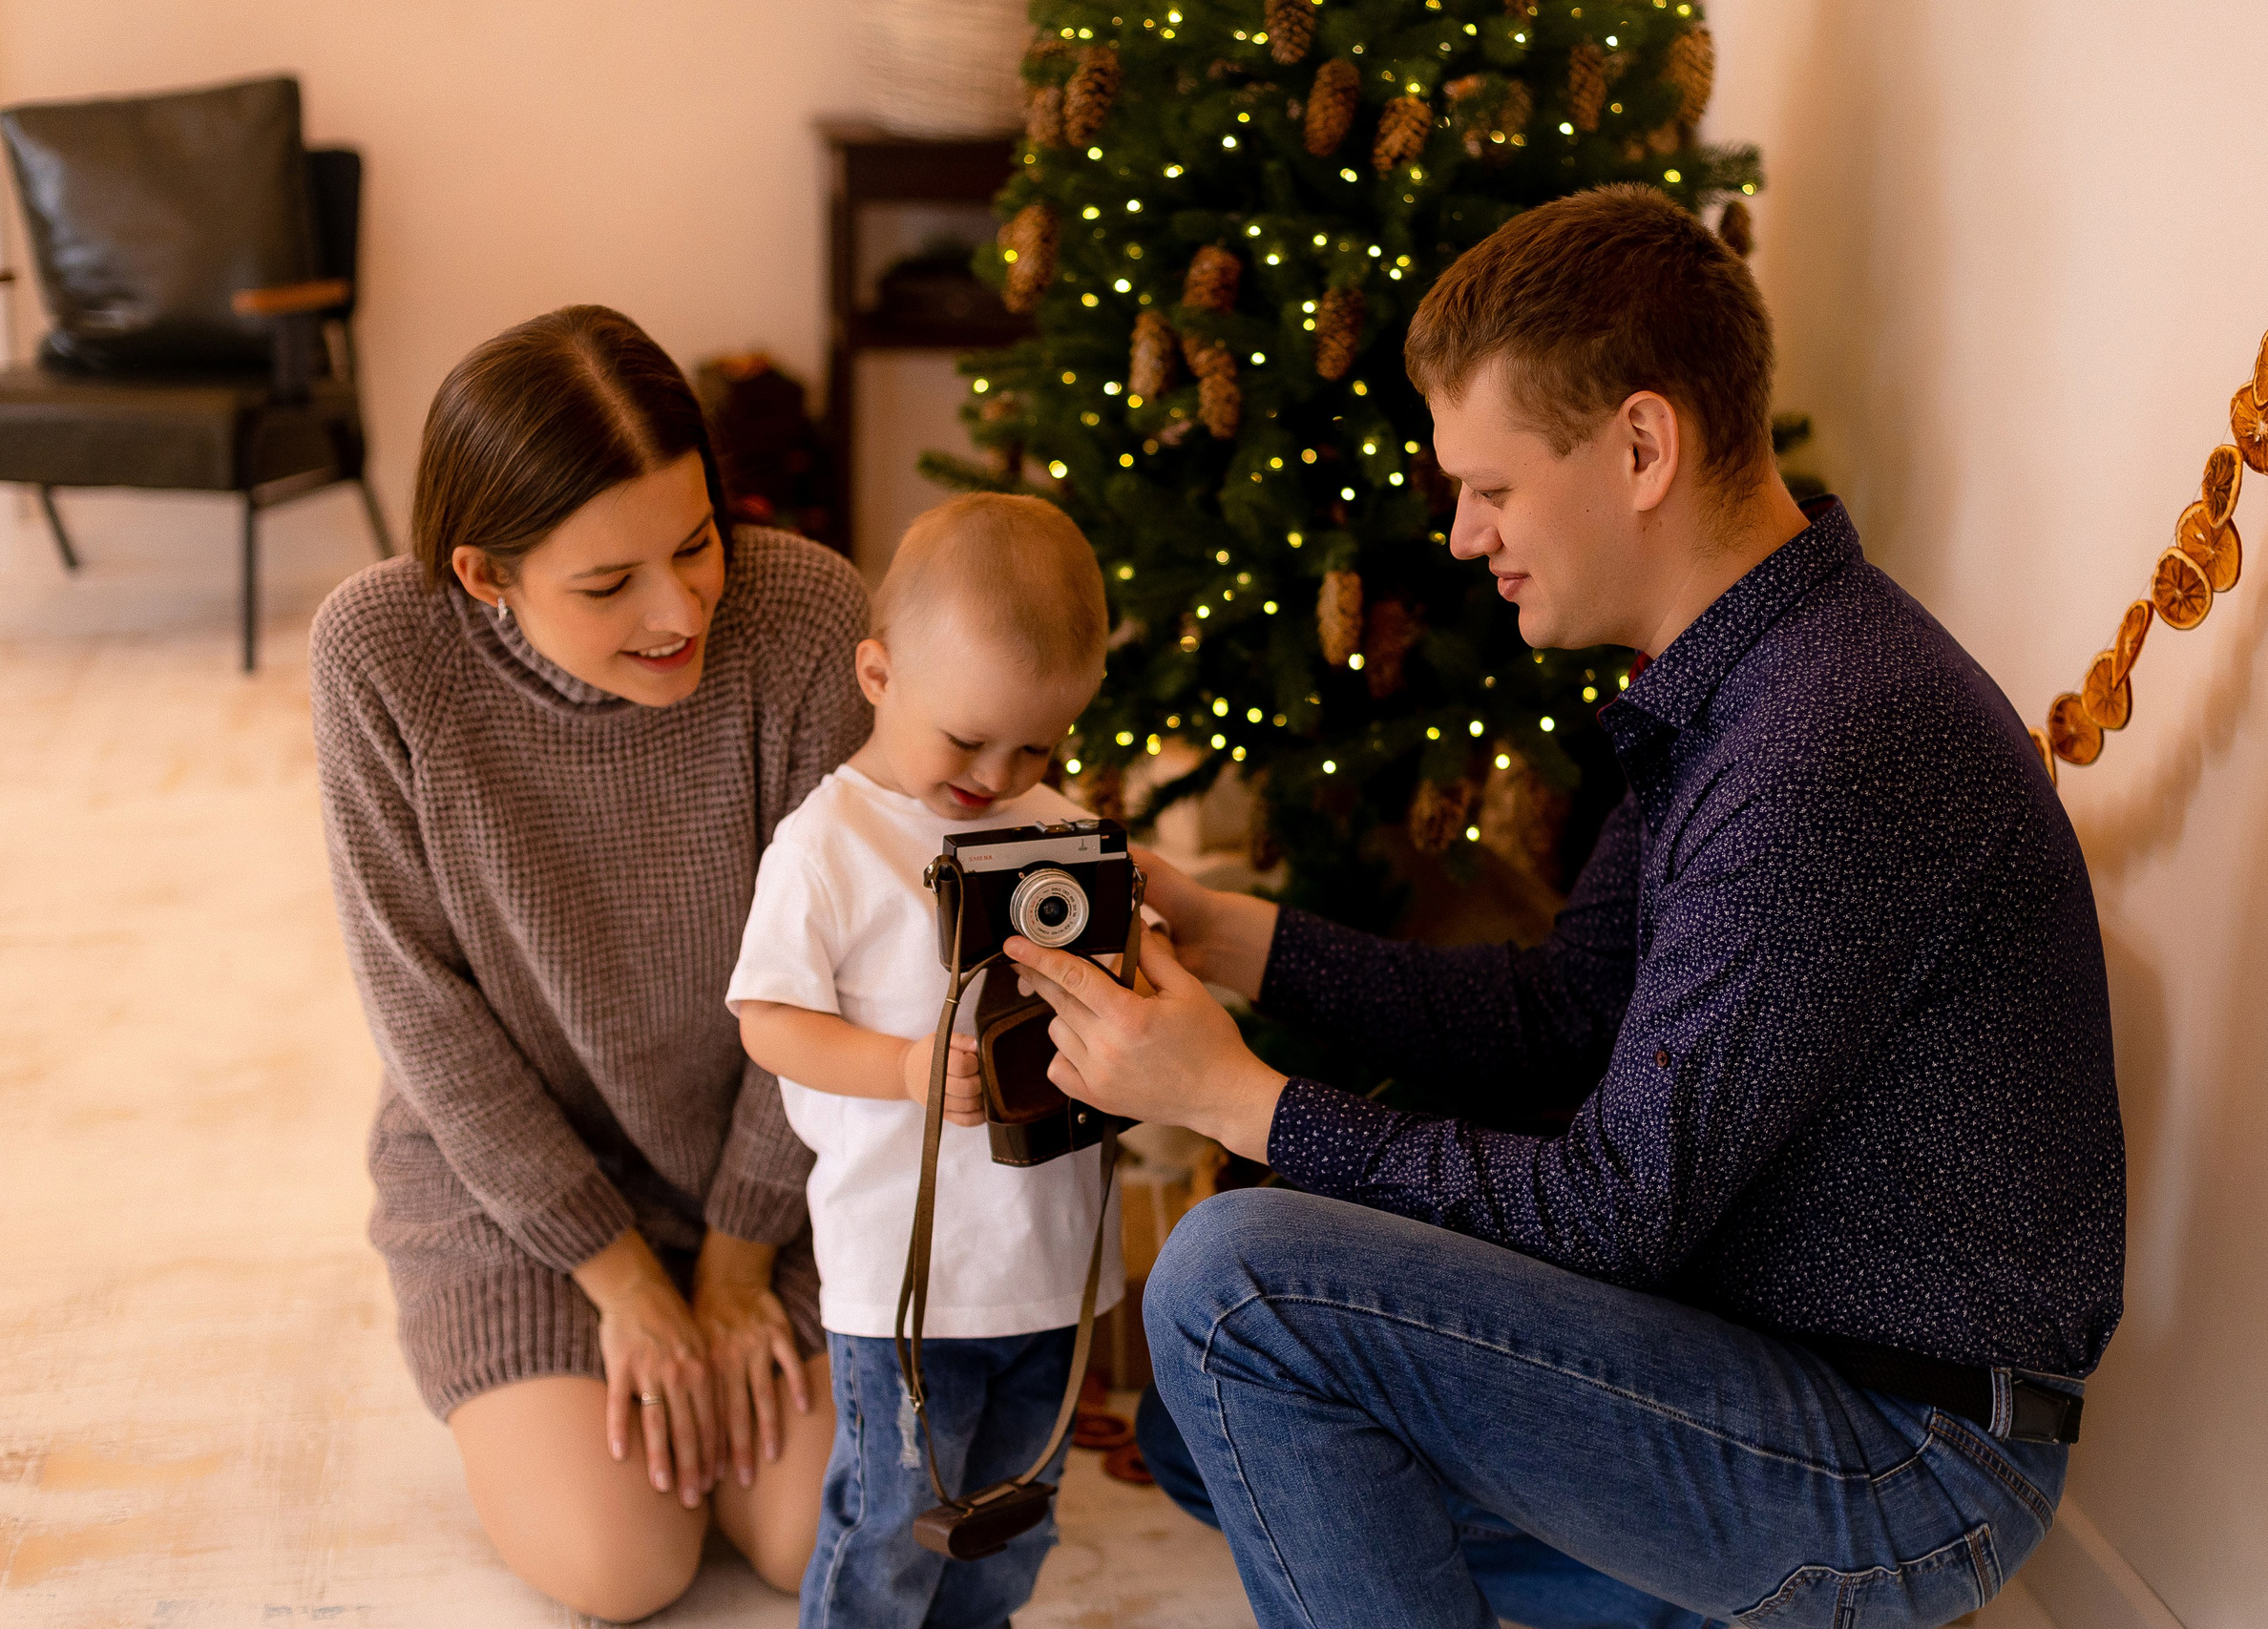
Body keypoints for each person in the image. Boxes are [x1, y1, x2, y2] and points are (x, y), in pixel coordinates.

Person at [1002, 185, 2127, 1629]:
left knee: (1232, 1289)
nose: (1466, 538)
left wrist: (1241, 1097)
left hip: (1899, 1462)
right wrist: (1229, 930)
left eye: (1491, 487)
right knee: (1205, 1429)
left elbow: (1614, 1213)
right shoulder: (1751, 676)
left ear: (1642, 445)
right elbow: (1559, 1014)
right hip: (1765, 1354)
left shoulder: (1824, 744)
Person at [310, 306, 868, 1620]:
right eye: (609, 585)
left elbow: (841, 969)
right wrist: (618, 1276)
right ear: (485, 574)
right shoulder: (381, 651)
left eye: (696, 544)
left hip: (776, 1162)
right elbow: (419, 1006)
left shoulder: (804, 621)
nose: (679, 609)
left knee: (808, 1535)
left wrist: (734, 1260)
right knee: (623, 1564)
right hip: (516, 1195)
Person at [725, 493, 1127, 1629]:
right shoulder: (828, 847)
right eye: (966, 738)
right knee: (893, 1522)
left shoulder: (1059, 829)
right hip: (907, 1283)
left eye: (1036, 744)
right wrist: (906, 1068)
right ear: (876, 673)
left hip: (1049, 1265)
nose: (997, 776)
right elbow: (767, 1020)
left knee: (1014, 1515)